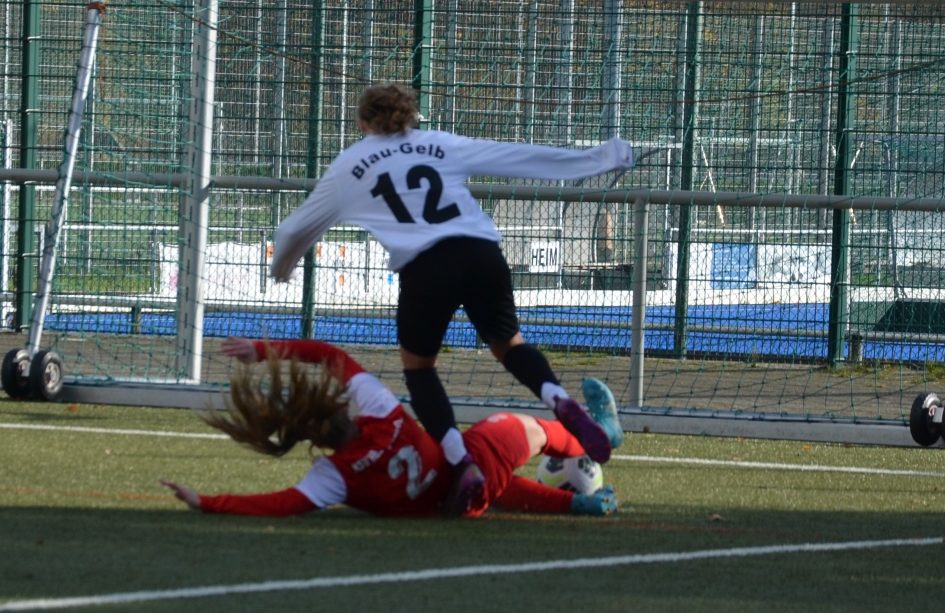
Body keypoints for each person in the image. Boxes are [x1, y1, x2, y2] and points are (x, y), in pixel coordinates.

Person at [270, 81, 632, 516]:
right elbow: (519, 157)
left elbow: (293, 229)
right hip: (482, 253)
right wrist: (604, 157)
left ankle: (463, 463)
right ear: (410, 117)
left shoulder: (349, 164)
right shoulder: (438, 143)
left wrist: (283, 267)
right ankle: (559, 399)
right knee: (510, 347)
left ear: (363, 124)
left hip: (426, 267)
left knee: (420, 370)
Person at [159, 337, 619, 519]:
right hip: (474, 463)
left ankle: (578, 504)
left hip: (456, 507)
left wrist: (208, 502)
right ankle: (597, 432)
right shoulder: (380, 412)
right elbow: (331, 356)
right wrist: (263, 350)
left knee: (487, 483)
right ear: (337, 406)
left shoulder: (332, 477)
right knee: (518, 429)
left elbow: (280, 504)